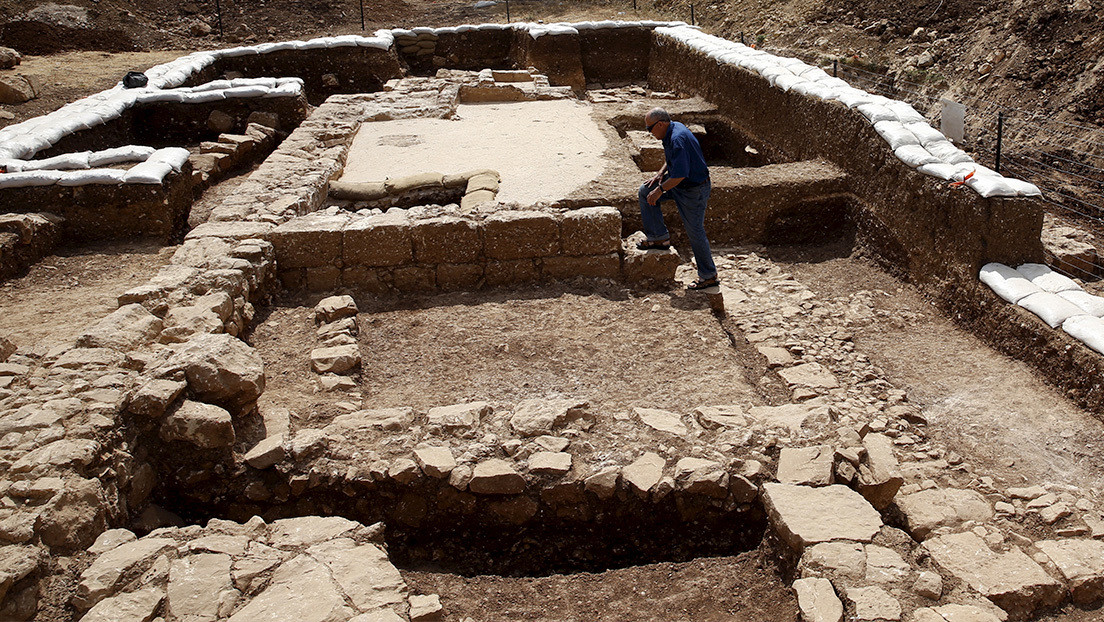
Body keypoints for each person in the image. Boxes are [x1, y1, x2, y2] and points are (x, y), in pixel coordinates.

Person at [637, 107, 719, 290]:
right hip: (681, 184)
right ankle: (658, 237)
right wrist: (660, 174)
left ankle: (709, 276)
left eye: (649, 129)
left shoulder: (677, 138)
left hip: (693, 189)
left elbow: (680, 175)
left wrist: (659, 190)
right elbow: (672, 159)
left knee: (695, 232)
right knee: (644, 192)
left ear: (660, 124)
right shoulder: (672, 129)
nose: (649, 133)